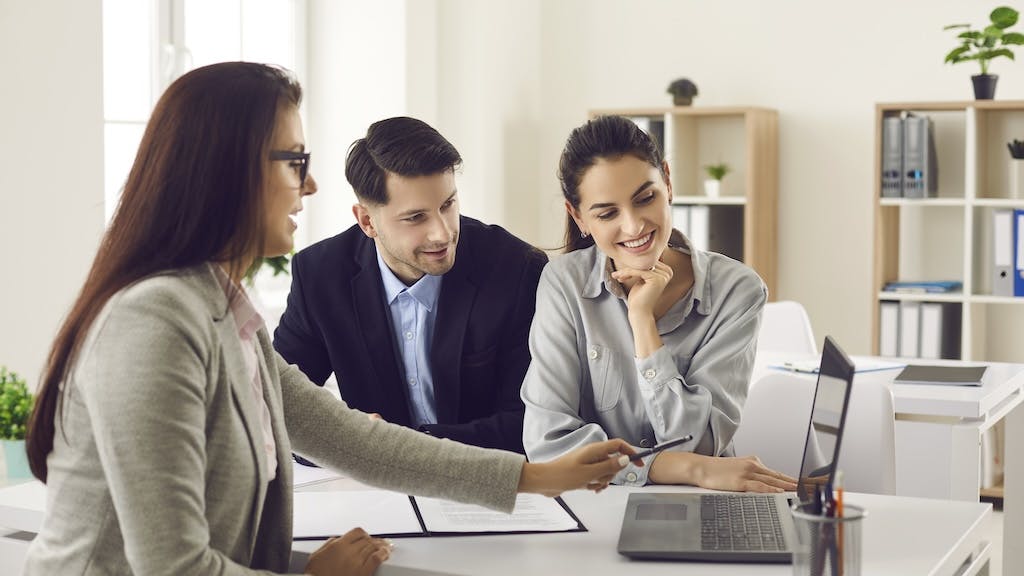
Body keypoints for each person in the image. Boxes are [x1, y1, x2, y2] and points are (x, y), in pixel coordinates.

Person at [22, 63, 635, 576]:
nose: (309, 185)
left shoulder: (223, 309)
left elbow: (351, 439)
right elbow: (174, 569)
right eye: (293, 161)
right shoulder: (154, 321)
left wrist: (537, 476)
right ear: (226, 173)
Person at [521, 115, 796, 492]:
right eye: (607, 213)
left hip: (703, 502)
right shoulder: (563, 284)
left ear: (667, 181)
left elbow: (701, 443)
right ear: (578, 217)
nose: (634, 227)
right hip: (597, 505)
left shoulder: (738, 290)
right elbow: (549, 446)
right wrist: (686, 468)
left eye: (645, 198)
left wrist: (642, 322)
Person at [273, 116, 546, 453]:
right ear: (367, 221)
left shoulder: (516, 269)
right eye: (416, 217)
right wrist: (346, 438)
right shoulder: (319, 276)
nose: (443, 233)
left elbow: (531, 422)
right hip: (375, 491)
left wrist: (397, 447)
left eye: (448, 205)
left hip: (490, 484)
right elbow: (276, 410)